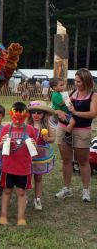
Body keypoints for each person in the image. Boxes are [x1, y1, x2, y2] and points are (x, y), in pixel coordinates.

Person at [55, 68, 97, 202]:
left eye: (79, 81)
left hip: (82, 130)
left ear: (86, 81)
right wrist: (58, 107)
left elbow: (93, 114)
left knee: (83, 161)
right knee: (66, 160)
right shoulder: (73, 92)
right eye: (75, 80)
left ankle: (85, 191)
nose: (76, 83)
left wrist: (76, 112)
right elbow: (62, 105)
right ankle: (67, 189)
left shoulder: (93, 95)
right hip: (65, 127)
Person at [0, 102, 36, 226]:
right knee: (7, 191)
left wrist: (34, 145)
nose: (18, 121)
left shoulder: (30, 129)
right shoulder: (5, 129)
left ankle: (21, 217)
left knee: (21, 192)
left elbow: (34, 146)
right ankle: (3, 215)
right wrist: (1, 143)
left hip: (23, 167)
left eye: (21, 119)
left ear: (25, 117)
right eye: (15, 118)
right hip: (8, 167)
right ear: (11, 115)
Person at [27, 101, 55, 210]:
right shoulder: (27, 125)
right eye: (33, 112)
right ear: (30, 114)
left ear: (43, 114)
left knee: (38, 177)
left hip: (41, 155)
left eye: (39, 112)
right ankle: (24, 197)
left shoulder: (46, 126)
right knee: (27, 177)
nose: (36, 115)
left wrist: (48, 139)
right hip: (28, 155)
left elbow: (53, 138)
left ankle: (37, 199)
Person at [49, 78, 75, 143]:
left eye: (63, 85)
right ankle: (67, 135)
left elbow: (67, 103)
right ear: (54, 87)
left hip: (66, 111)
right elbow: (60, 104)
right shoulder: (55, 95)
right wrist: (68, 98)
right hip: (60, 113)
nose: (63, 86)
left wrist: (69, 102)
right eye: (61, 85)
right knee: (72, 122)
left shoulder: (60, 93)